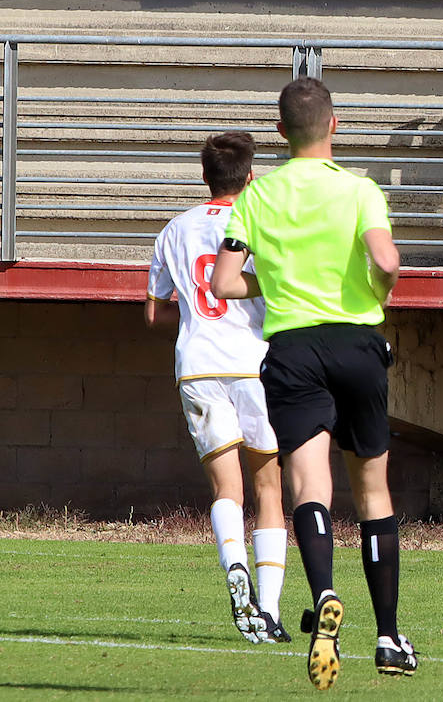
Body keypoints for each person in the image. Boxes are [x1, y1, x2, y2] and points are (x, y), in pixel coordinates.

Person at [210, 78, 417, 689]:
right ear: (335, 124)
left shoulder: (256, 195)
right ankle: (387, 635)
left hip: (293, 348)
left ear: (280, 133)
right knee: (373, 491)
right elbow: (386, 261)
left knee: (309, 487)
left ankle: (325, 592)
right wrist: (375, 296)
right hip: (355, 343)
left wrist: (276, 286)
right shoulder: (359, 189)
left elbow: (223, 282)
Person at [145, 132, 290, 644]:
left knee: (227, 489)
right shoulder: (261, 224)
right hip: (256, 364)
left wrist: (190, 316)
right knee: (269, 489)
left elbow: (154, 313)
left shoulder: (174, 229)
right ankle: (268, 613)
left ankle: (235, 567)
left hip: (198, 365)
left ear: (204, 178)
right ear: (250, 177)